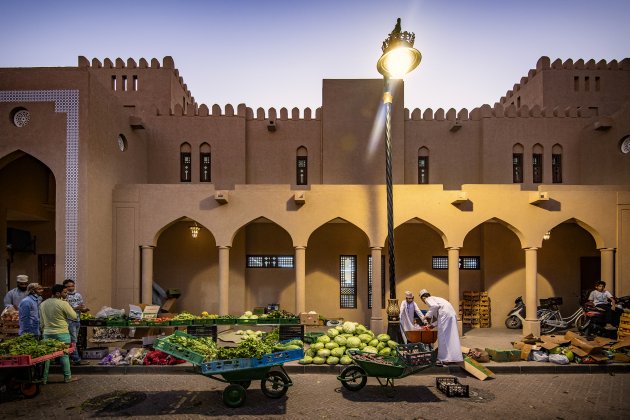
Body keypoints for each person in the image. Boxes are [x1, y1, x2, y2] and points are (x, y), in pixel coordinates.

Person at [41, 284, 80, 383]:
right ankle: (67, 377)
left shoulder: (43, 304)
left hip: (47, 333)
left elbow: (41, 321)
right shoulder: (63, 303)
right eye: (65, 292)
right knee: (64, 355)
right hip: (62, 333)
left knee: (46, 357)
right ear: (58, 293)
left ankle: (44, 379)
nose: (66, 294)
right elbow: (74, 316)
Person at [419, 289, 463, 364]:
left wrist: (426, 316)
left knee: (442, 337)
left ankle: (443, 358)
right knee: (451, 337)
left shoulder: (428, 299)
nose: (424, 302)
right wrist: (432, 325)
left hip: (446, 315)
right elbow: (440, 317)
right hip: (451, 314)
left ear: (423, 298)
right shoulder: (437, 299)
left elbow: (435, 306)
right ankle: (453, 357)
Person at [63, 279, 89, 365]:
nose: (71, 288)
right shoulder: (64, 296)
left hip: (77, 319)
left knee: (74, 340)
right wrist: (76, 308)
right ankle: (76, 359)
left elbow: (81, 307)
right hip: (68, 321)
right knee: (73, 340)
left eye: (72, 286)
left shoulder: (78, 295)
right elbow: (65, 310)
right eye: (68, 286)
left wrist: (84, 310)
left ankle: (72, 357)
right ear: (65, 287)